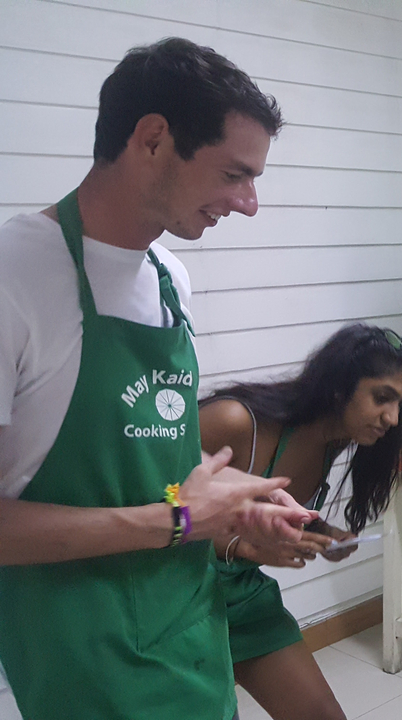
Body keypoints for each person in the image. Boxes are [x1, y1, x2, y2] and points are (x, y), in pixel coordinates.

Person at [0, 37, 318, 720]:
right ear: (152, 140)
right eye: (234, 174)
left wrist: (233, 507)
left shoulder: (169, 279)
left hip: (193, 628)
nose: (249, 203)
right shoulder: (15, 277)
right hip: (85, 660)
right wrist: (179, 520)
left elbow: (146, 456)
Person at [197, 323, 402, 720]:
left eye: (400, 403)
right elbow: (155, 508)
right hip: (181, 594)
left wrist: (320, 532)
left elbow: (262, 511)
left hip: (241, 596)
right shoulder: (236, 421)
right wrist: (242, 545)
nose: (392, 417)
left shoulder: (333, 440)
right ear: (339, 388)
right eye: (382, 397)